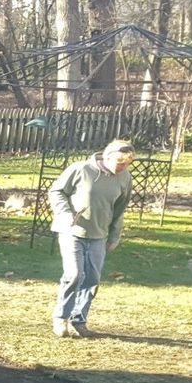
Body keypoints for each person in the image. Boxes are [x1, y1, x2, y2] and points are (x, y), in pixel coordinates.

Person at [47, 139, 135, 338]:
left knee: (92, 279)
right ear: (108, 156)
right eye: (120, 163)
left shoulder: (124, 178)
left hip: (99, 235)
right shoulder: (81, 169)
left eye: (127, 164)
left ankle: (79, 320)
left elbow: (120, 209)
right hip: (72, 231)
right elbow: (56, 191)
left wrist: (114, 235)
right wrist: (65, 213)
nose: (123, 167)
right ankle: (61, 318)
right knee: (75, 274)